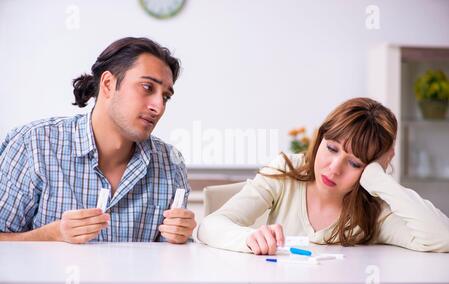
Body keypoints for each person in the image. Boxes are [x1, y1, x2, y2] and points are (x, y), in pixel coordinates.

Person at [0, 37, 196, 244]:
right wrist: (51, 235)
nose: (158, 106)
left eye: (165, 97)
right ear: (108, 84)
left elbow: (173, 263)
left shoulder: (170, 163)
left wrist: (181, 239)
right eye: (147, 88)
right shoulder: (33, 145)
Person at [197, 97, 449, 254]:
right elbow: (209, 226)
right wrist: (249, 238)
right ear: (319, 139)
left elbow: (442, 238)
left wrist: (380, 178)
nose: (334, 168)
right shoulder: (285, 173)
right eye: (331, 148)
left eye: (354, 162)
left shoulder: (374, 211)